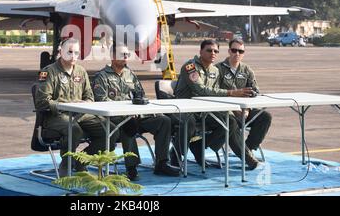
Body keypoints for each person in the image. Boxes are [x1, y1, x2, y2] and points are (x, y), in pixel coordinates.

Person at [92, 45, 181, 180]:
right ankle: (131, 167)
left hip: (138, 116)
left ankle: (162, 162)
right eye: (122, 55)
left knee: (164, 121)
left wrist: (139, 106)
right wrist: (127, 112)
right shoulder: (101, 77)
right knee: (129, 125)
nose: (126, 57)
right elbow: (101, 101)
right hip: (117, 119)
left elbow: (141, 95)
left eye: (127, 55)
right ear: (113, 57)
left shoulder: (130, 74)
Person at [34, 38, 119, 177]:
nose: (73, 56)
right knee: (73, 129)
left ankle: (82, 161)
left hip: (81, 114)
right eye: (70, 52)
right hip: (57, 116)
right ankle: (67, 163)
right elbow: (42, 102)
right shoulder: (48, 72)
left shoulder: (81, 71)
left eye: (76, 53)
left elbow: (90, 97)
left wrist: (84, 105)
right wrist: (67, 105)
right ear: (61, 51)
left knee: (111, 131)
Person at [173, 39, 260, 170]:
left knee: (230, 121)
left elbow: (217, 94)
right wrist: (233, 93)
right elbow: (200, 90)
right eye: (209, 50)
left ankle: (200, 145)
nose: (213, 53)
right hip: (184, 109)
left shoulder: (215, 70)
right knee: (189, 123)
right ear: (200, 51)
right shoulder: (190, 67)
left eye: (216, 51)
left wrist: (233, 109)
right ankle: (175, 156)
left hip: (204, 111)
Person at [216, 38, 272, 154]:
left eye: (240, 51)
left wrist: (247, 108)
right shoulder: (218, 69)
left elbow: (255, 91)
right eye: (234, 50)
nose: (237, 54)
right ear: (229, 51)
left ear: (243, 54)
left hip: (244, 111)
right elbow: (214, 92)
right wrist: (233, 108)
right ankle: (244, 154)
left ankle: (247, 149)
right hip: (226, 112)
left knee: (265, 117)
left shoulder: (247, 70)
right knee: (231, 122)